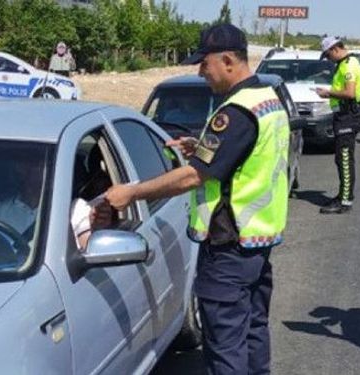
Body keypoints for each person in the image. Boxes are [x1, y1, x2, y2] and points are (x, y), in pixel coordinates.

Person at [105, 23, 289, 375]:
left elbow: (193, 176)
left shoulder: (234, 112)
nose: (202, 73)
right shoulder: (268, 100)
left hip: (228, 248)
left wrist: (131, 192)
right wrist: (202, 149)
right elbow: (247, 158)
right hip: (257, 242)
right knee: (252, 332)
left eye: (205, 65)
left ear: (228, 61)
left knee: (225, 348)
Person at [0, 157, 111, 250]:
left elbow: (89, 251)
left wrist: (97, 228)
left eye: (47, 162)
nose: (43, 167)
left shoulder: (76, 209)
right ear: (19, 168)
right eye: (34, 162)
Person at [316, 36, 360, 214]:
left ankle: (345, 201)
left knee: (344, 158)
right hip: (342, 115)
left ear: (335, 49)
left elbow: (350, 93)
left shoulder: (349, 64)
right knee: (340, 158)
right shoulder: (343, 64)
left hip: (348, 115)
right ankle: (343, 194)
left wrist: (328, 93)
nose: (328, 59)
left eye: (328, 56)